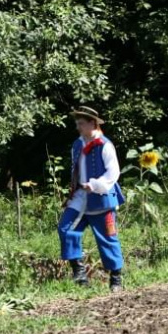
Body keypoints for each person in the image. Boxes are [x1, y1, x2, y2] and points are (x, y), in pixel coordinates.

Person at [57, 106, 125, 292]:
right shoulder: (77, 144)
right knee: (65, 228)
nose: (78, 127)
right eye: (77, 123)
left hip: (102, 199)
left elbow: (114, 172)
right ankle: (79, 273)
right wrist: (74, 191)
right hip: (80, 198)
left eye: (81, 123)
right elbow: (75, 170)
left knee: (107, 239)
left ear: (92, 123)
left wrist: (95, 185)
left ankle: (116, 279)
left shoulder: (105, 145)